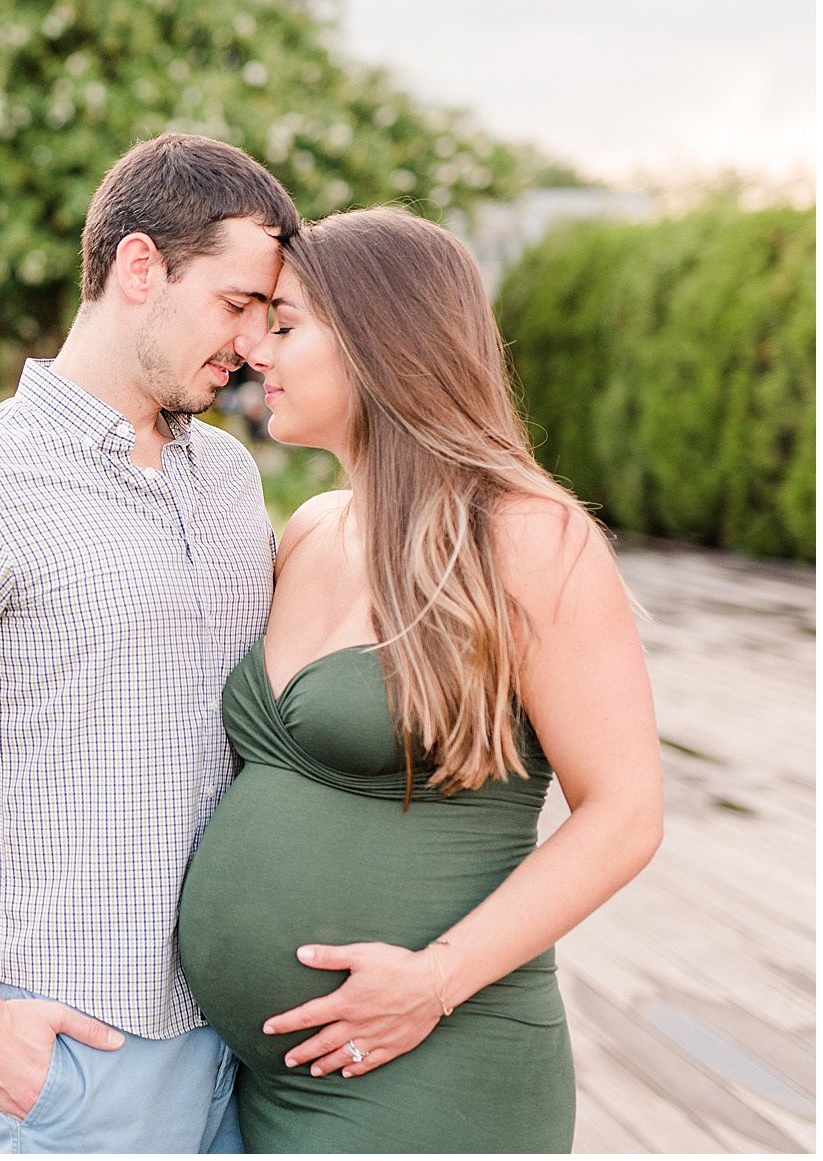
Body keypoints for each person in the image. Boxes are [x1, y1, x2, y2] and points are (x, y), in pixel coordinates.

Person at [0, 133, 297, 1153]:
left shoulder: (229, 481)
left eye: (267, 314)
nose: (255, 344)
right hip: (82, 1057)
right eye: (236, 304)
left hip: (243, 1045)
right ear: (137, 268)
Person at [176, 207, 664, 1152]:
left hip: (434, 1065)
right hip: (260, 1086)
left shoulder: (525, 536)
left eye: (283, 323)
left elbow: (625, 812)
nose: (251, 348)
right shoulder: (312, 528)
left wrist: (432, 981)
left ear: (377, 341)